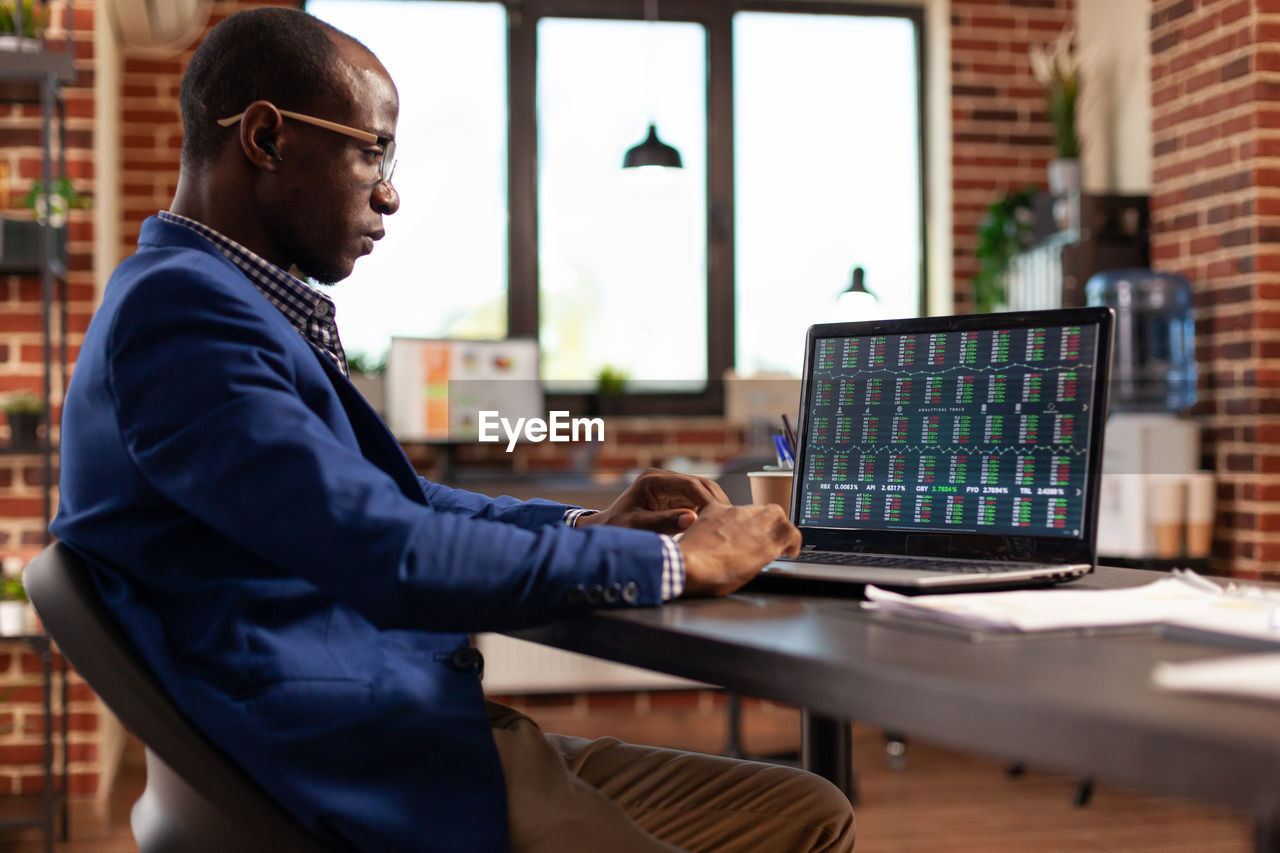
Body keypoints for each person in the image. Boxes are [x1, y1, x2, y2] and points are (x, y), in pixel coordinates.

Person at [51, 8, 854, 852]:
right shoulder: (183, 314)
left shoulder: (214, 302)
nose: (390, 192)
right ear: (265, 138)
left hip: (398, 732)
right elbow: (390, 550)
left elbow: (397, 501)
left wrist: (586, 523)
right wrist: (673, 558)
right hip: (364, 770)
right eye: (373, 151)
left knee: (810, 807)